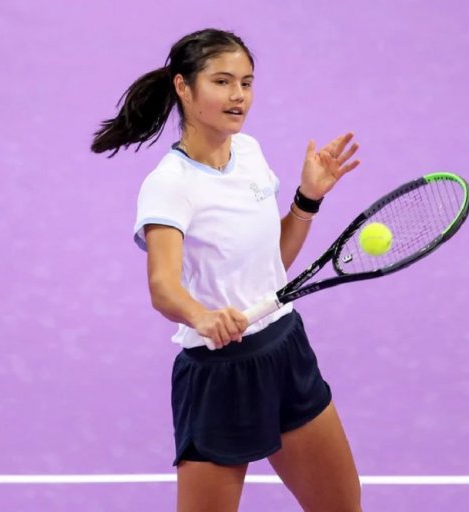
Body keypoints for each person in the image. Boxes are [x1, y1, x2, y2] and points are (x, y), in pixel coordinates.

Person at [91, 28, 362, 512]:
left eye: (247, 82)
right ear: (183, 87)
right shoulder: (168, 186)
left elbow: (272, 262)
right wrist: (202, 316)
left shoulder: (251, 153)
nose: (239, 96)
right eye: (222, 82)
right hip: (219, 373)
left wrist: (307, 199)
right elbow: (163, 287)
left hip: (285, 351)